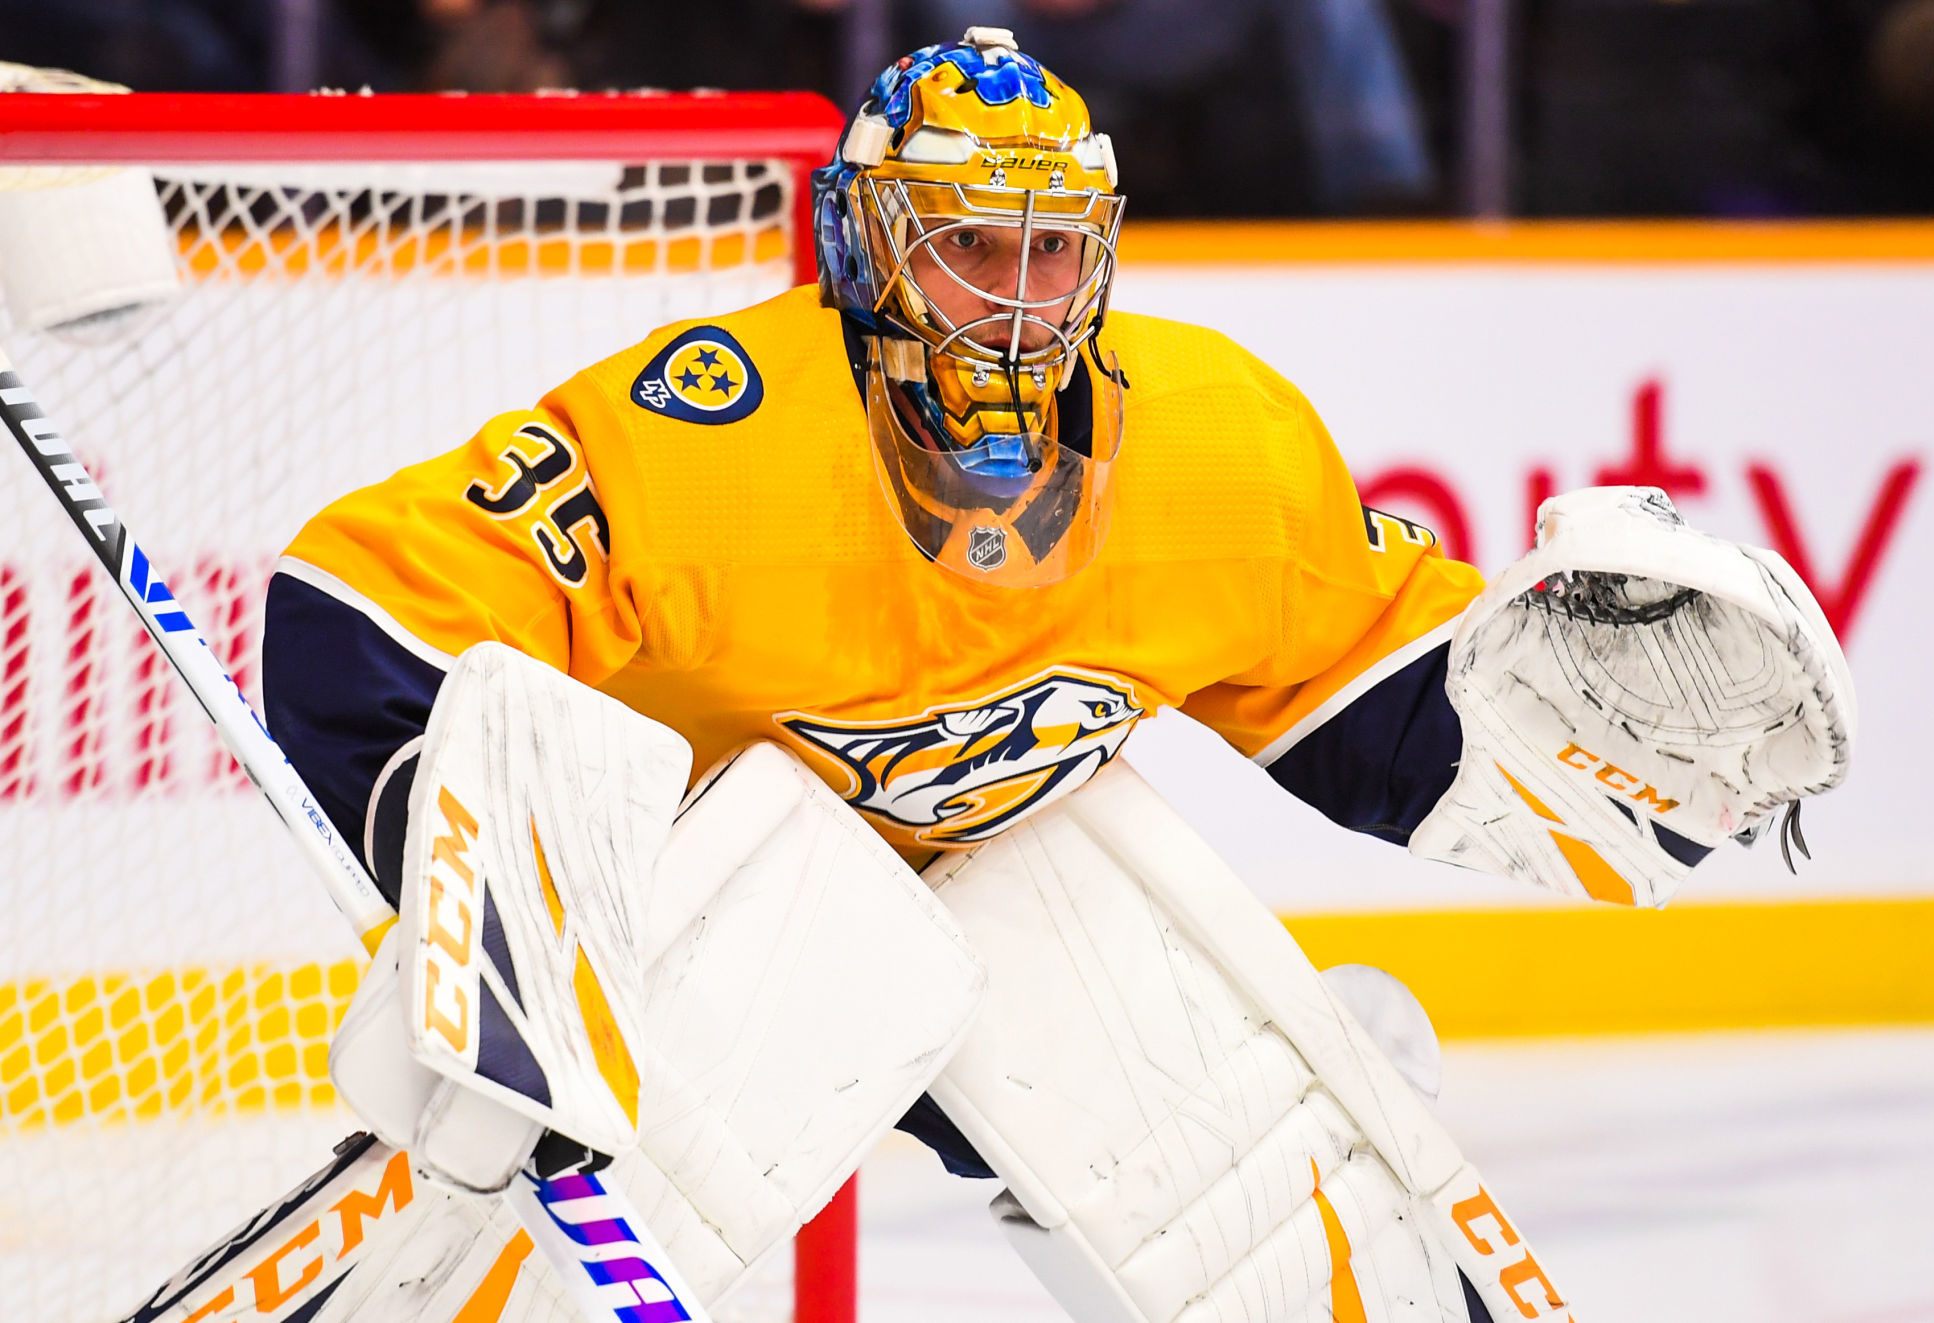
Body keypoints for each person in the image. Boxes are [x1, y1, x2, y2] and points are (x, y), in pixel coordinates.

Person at [259, 27, 1849, 1321]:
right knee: (481, 1216)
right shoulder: (710, 435)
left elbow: (1375, 708)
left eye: (1049, 250)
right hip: (706, 924)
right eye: (965, 250)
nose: (1014, 299)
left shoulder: (1212, 444)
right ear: (869, 245)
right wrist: (500, 915)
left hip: (1008, 894)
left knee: (1278, 1205)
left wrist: (1578, 750)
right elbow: (360, 608)